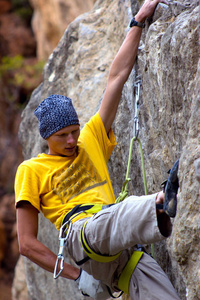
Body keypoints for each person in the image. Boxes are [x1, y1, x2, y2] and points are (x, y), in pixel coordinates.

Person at [15, 0, 180, 299]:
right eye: (62, 135)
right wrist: (76, 276)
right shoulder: (31, 170)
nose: (70, 140)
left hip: (120, 247)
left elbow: (116, 78)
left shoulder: (90, 137)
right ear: (46, 138)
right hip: (81, 235)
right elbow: (26, 243)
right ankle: (161, 202)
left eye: (74, 131)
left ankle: (159, 205)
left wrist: (138, 21)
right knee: (116, 215)